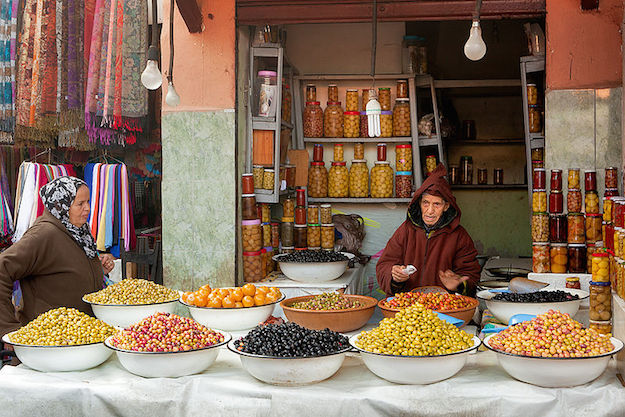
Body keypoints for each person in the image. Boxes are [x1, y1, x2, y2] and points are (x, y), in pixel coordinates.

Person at [0, 177, 115, 340]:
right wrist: (8, 329)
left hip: (80, 337)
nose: (87, 208)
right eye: (80, 204)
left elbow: (65, 266)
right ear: (61, 205)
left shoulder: (78, 230)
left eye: (88, 201)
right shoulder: (43, 234)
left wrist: (98, 268)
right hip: (48, 341)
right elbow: (2, 269)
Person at [377, 164, 481, 296]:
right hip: (408, 306)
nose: (430, 211)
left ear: (446, 206)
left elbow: (471, 274)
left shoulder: (459, 236)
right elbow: (385, 264)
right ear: (419, 203)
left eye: (436, 204)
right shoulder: (406, 230)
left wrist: (459, 284)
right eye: (426, 203)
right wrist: (395, 278)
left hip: (443, 307)